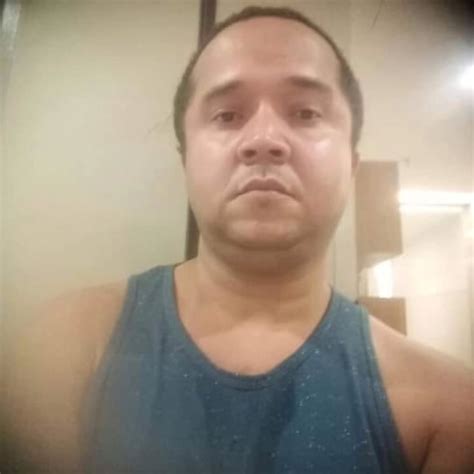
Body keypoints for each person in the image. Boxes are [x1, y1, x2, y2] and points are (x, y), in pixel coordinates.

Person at [5, 6, 473, 473]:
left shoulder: (449, 409)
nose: (264, 139)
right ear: (186, 161)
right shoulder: (59, 349)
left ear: (351, 166)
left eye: (306, 112)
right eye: (227, 115)